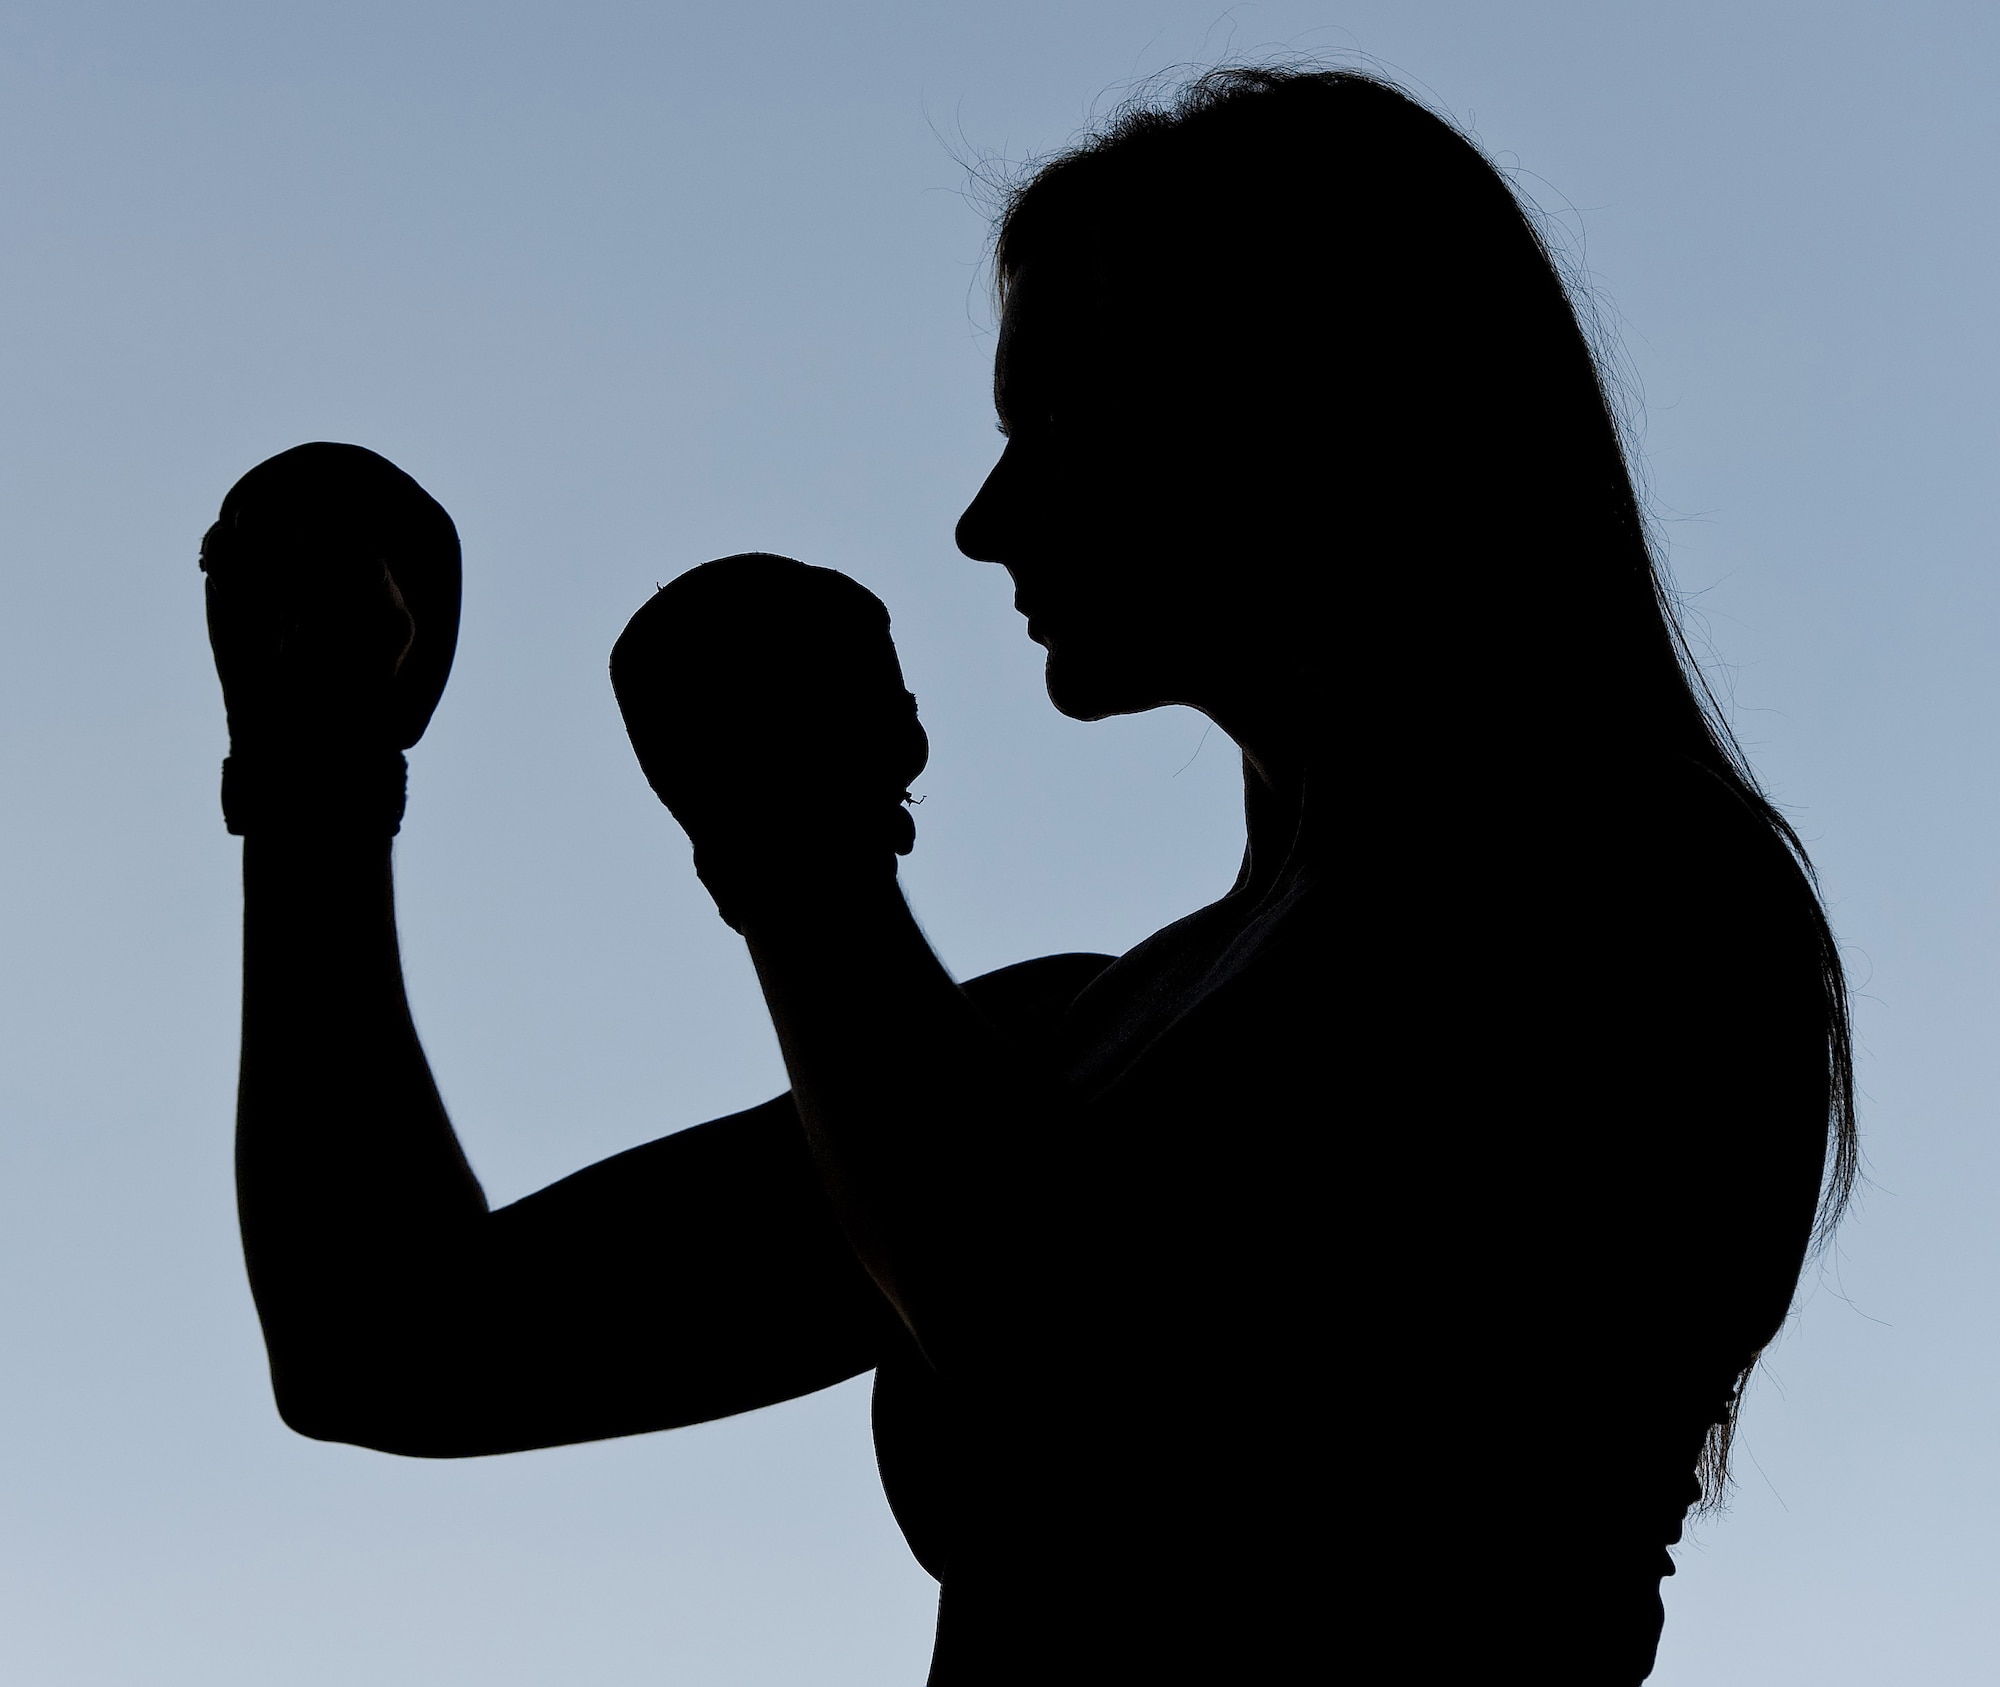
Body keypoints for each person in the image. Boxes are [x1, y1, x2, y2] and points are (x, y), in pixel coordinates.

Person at [201, 68, 1854, 1685]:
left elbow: (1097, 1409)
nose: (987, 520)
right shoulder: (1067, 1044)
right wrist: (315, 777)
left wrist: (797, 851)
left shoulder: (1650, 922)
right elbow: (391, 1340)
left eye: (1059, 417)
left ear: (1315, 406)